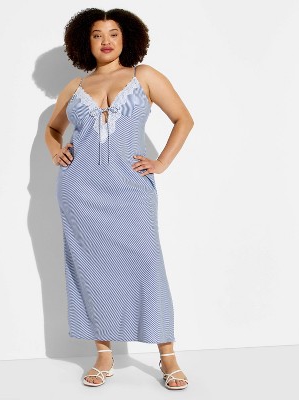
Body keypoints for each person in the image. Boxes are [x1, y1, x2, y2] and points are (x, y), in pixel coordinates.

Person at [45, 8, 194, 389]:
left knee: (148, 265)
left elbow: (184, 119)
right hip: (79, 192)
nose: (106, 40)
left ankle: (168, 356)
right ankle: (103, 354)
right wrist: (56, 150)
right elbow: (53, 129)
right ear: (86, 42)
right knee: (90, 269)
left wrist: (161, 162)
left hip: (131, 190)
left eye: (113, 33)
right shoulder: (75, 87)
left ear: (127, 38)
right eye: (97, 34)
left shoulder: (144, 76)